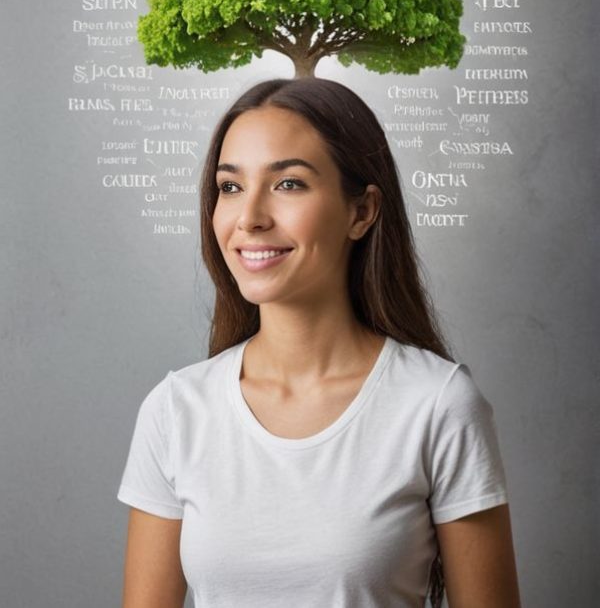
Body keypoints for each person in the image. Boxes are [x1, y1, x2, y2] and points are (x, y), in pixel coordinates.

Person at [117, 77, 521, 608]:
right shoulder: (176, 410)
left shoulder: (437, 403)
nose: (251, 217)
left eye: (288, 184)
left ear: (362, 212)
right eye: (231, 187)